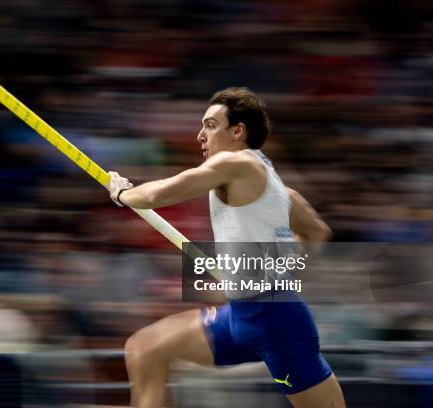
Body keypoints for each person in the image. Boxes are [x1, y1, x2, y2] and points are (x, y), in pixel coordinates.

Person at [106, 87, 346, 408]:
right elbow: (317, 232)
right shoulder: (279, 190)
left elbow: (155, 196)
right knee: (146, 348)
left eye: (210, 125)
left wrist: (122, 194)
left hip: (277, 325)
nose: (200, 135)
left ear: (238, 131)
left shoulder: (237, 164)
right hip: (240, 319)